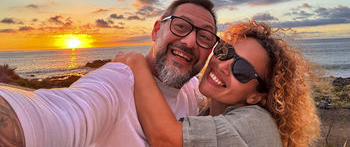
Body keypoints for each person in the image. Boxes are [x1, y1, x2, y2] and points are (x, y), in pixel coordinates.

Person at [0, 0, 218, 147]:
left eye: (205, 37)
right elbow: (59, 115)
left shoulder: (192, 89)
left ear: (210, 51)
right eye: (180, 26)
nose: (190, 42)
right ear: (156, 30)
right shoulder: (117, 83)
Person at [114, 21, 320, 147]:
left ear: (256, 96)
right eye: (225, 51)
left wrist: (136, 63)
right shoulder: (206, 113)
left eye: (243, 70)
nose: (223, 65)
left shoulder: (256, 123)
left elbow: (166, 140)